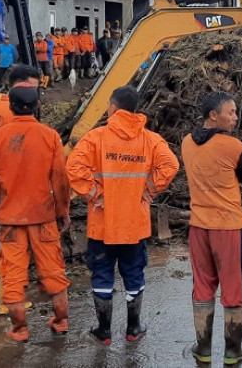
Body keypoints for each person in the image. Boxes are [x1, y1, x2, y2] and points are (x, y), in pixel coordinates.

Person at [66, 86, 179, 345]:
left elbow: (73, 167)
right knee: (134, 276)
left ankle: (104, 332)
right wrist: (148, 191)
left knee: (102, 275)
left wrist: (96, 194)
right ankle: (133, 329)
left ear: (113, 108)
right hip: (134, 227)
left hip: (103, 226)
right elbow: (171, 165)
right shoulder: (150, 139)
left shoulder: (96, 138)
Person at [0, 83, 71, 342]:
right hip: (43, 217)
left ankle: (20, 329)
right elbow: (60, 181)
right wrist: (63, 212)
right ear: (38, 106)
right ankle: (61, 321)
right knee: (53, 271)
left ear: (10, 106)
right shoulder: (50, 136)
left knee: (13, 275)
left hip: (9, 221)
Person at [181, 92, 242, 365]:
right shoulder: (233, 146)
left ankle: (203, 349)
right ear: (214, 115)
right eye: (231, 112)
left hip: (199, 226)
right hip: (229, 227)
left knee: (202, 287)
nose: (235, 117)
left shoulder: (187, 142)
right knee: (234, 288)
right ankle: (233, 352)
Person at [0, 65, 40, 315]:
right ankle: (8, 300)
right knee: (14, 246)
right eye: (33, 88)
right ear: (19, 87)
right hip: (14, 187)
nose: (36, 96)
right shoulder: (14, 115)